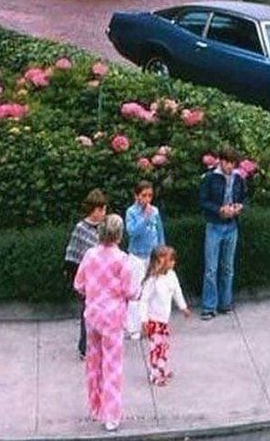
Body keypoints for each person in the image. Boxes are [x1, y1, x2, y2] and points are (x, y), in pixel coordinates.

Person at [74, 213, 140, 433]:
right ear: (119, 235)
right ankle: (111, 416)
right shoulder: (122, 260)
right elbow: (130, 291)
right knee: (112, 367)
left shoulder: (89, 255)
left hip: (93, 315)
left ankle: (96, 407)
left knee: (94, 363)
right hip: (113, 318)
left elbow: (78, 284)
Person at [198, 145, 247, 320]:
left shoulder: (238, 178)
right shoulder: (210, 178)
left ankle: (225, 303)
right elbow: (203, 201)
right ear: (221, 162)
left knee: (228, 267)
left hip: (231, 225)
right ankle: (209, 306)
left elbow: (244, 197)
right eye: (228, 163)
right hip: (215, 225)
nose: (230, 167)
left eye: (233, 164)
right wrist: (219, 209)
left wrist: (239, 206)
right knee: (211, 268)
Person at [64, 189, 108, 359]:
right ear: (93, 209)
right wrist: (75, 277)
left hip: (104, 277)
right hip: (88, 278)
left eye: (104, 209)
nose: (103, 213)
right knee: (87, 312)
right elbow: (73, 252)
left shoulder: (105, 227)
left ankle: (101, 343)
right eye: (100, 209)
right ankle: (85, 347)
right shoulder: (81, 228)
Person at [140, 245, 190, 385]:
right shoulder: (152, 281)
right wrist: (144, 320)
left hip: (164, 320)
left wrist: (183, 307)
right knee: (156, 348)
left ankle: (162, 368)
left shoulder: (172, 275)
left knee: (164, 346)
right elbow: (143, 300)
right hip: (154, 321)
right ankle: (155, 374)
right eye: (170, 260)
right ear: (160, 262)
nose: (173, 262)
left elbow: (177, 292)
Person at [124, 180, 165, 337]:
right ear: (137, 196)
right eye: (144, 195)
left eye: (150, 195)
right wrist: (145, 218)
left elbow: (160, 232)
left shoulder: (155, 211)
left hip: (152, 255)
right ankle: (134, 328)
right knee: (136, 292)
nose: (147, 199)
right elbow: (132, 232)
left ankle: (153, 324)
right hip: (137, 256)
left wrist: (162, 251)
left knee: (153, 291)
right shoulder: (131, 212)